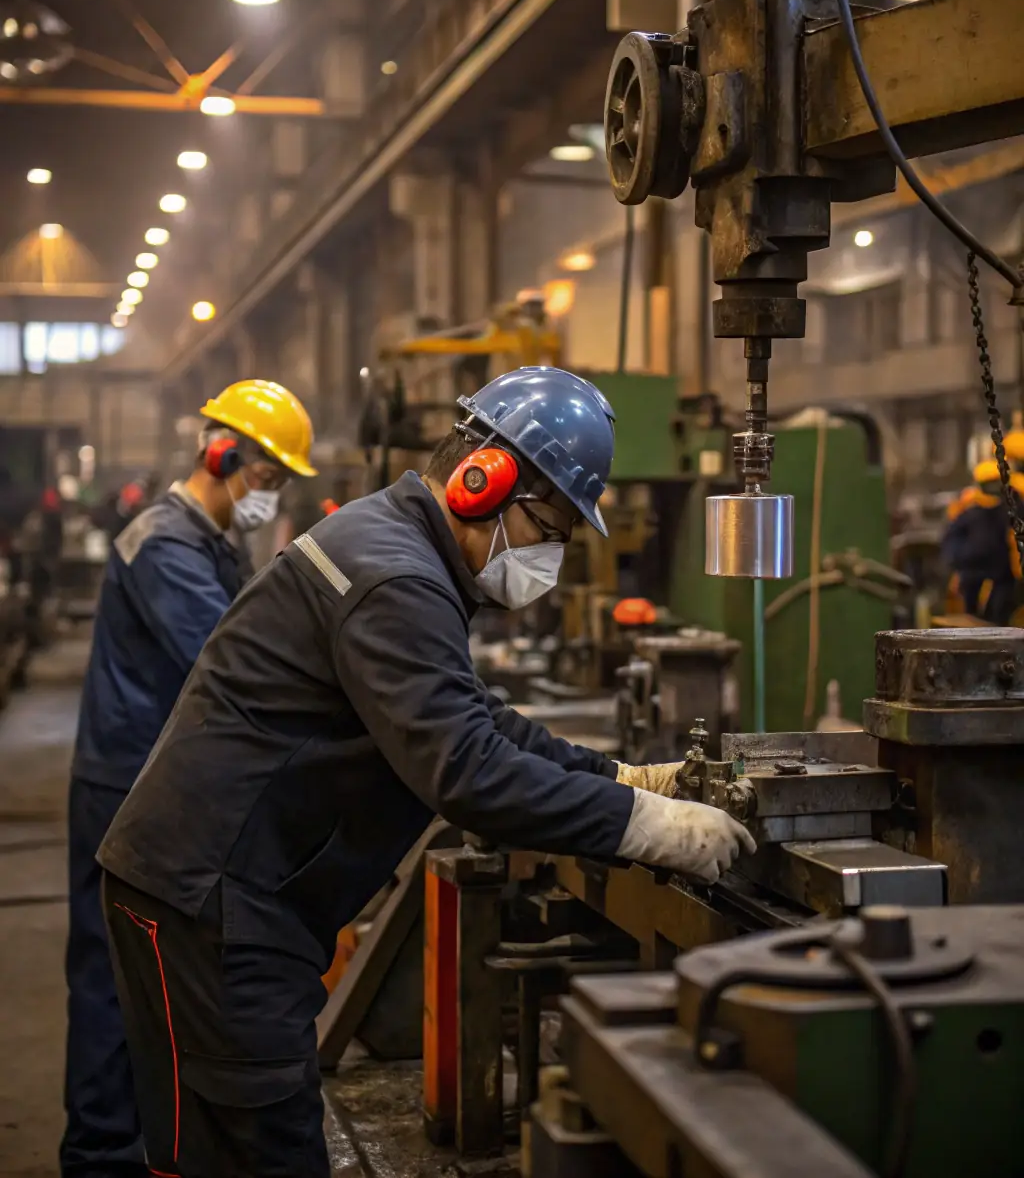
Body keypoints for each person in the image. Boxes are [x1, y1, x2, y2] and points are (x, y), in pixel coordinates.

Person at [96, 365, 754, 1178]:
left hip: (236, 892)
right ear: (485, 481)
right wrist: (648, 830)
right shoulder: (397, 575)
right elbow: (468, 771)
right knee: (253, 1150)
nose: (553, 553)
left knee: (244, 1141)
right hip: (208, 899)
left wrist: (620, 777)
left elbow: (475, 717)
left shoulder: (402, 549)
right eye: (552, 525)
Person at [61, 379, 317, 1178]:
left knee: (145, 977)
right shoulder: (164, 544)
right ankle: (101, 1155)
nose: (267, 497)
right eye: (268, 477)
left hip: (155, 779)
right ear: (222, 454)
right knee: (110, 974)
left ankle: (136, 1140)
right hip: (121, 785)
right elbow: (226, 657)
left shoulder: (209, 540)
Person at [942, 455, 1023, 624]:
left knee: (999, 617)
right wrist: (961, 560)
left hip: (1004, 577)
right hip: (973, 574)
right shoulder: (970, 509)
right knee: (972, 618)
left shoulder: (1014, 507)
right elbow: (952, 538)